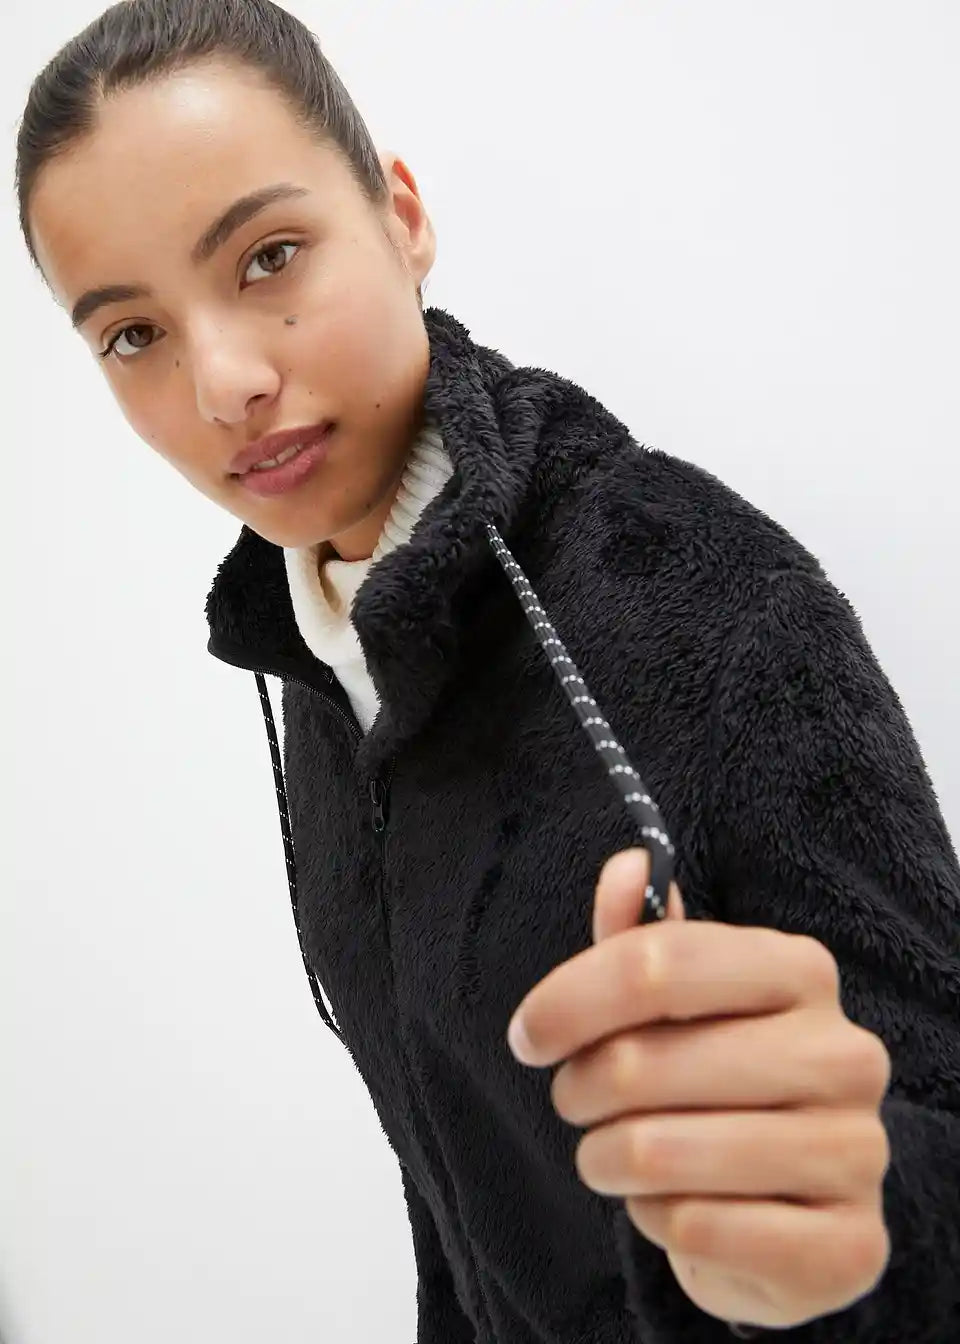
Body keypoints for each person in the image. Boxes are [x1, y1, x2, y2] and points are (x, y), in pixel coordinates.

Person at [15, 2, 960, 1341]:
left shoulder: (717, 605)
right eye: (131, 334)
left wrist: (869, 1223)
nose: (223, 381)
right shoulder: (321, 648)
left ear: (401, 216)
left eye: (269, 256)